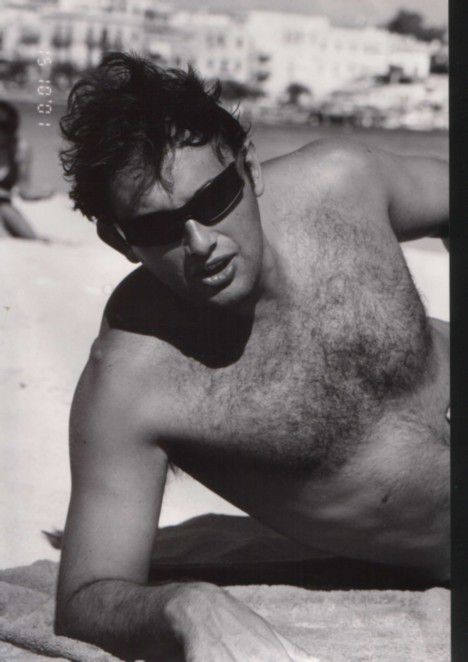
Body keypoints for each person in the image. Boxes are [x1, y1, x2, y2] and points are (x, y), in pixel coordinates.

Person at [55, 53, 449, 661]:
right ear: (119, 241)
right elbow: (84, 597)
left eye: (215, 198)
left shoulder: (342, 183)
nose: (201, 243)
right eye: (158, 229)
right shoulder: (131, 382)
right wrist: (187, 607)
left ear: (251, 167)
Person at [0, 100, 54, 240]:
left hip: (4, 206)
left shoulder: (20, 149)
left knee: (32, 238)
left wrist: (42, 194)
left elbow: (24, 191)